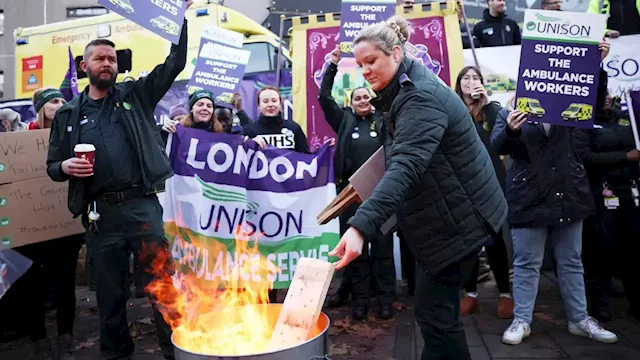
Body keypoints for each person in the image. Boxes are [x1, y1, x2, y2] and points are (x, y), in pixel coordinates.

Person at [329, 15, 508, 359]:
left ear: (396, 53)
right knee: (433, 315)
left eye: (372, 61)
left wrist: (360, 228)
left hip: (460, 220)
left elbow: (406, 165)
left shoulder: (420, 96)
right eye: (360, 64)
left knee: (437, 318)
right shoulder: (401, 89)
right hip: (446, 214)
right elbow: (398, 152)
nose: (364, 71)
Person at [45, 2, 192, 359]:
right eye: (100, 59)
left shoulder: (134, 96)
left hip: (142, 209)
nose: (107, 64)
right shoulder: (68, 114)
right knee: (110, 298)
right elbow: (51, 166)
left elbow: (175, 64)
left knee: (162, 289)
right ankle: (115, 354)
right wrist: (66, 167)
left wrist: (180, 19)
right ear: (85, 66)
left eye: (112, 59)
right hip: (101, 218)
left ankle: (176, 352)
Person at [492, 41, 618, 346]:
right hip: (529, 197)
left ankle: (579, 319)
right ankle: (522, 320)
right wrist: (510, 129)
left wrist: (595, 66)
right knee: (526, 263)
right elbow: (497, 147)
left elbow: (595, 102)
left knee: (572, 261)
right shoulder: (510, 110)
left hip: (568, 194)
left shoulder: (570, 106)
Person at [318, 44, 395, 320]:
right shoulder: (344, 121)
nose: (362, 100)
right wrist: (333, 65)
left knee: (383, 250)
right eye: (357, 98)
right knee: (356, 252)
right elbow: (324, 98)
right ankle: (360, 302)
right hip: (351, 197)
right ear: (351, 103)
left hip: (382, 196)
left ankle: (385, 300)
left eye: (366, 96)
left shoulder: (384, 120)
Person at [12, 87, 83, 360]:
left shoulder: (75, 138)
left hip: (65, 225)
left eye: (64, 100)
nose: (61, 104)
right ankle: (40, 343)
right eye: (54, 101)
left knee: (66, 284)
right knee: (33, 287)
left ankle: (66, 341)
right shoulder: (20, 141)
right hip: (31, 230)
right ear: (41, 108)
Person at [573, 72, 640, 323]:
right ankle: (599, 306)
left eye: (609, 94)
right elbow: (585, 158)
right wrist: (625, 157)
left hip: (627, 192)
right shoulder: (582, 125)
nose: (607, 99)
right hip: (598, 196)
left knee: (633, 248)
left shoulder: (625, 119)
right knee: (599, 251)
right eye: (602, 96)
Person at [454, 66, 513, 319]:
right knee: (468, 243)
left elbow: (504, 136)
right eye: (466, 78)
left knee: (495, 241)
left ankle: (505, 294)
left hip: (490, 185)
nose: (471, 82)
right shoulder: (453, 110)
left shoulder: (492, 110)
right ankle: (471, 294)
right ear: (459, 84)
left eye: (475, 78)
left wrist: (487, 102)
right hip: (462, 187)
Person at [242, 86, 311, 154]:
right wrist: (250, 144)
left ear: (280, 104)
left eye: (274, 101)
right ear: (259, 106)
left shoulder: (294, 128)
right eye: (265, 101)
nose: (270, 105)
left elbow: (306, 157)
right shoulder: (249, 130)